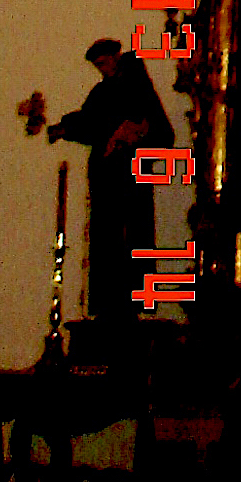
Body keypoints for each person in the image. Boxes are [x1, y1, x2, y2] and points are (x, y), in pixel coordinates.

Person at [49, 38, 176, 333]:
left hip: (132, 182)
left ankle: (130, 306)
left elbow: (161, 134)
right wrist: (66, 128)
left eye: (104, 63)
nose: (102, 70)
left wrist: (134, 135)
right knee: (105, 243)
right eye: (98, 66)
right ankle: (107, 306)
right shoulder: (102, 92)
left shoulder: (139, 91)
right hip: (106, 180)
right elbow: (91, 123)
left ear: (117, 58)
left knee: (131, 242)